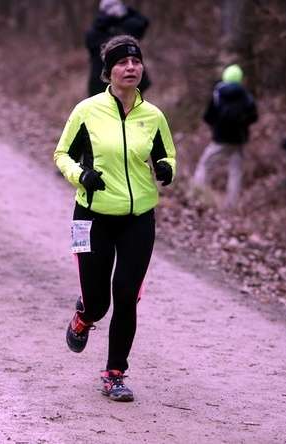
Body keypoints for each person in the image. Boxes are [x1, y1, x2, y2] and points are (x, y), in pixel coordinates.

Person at [54, 35, 176, 402]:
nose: (130, 68)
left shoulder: (153, 116)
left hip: (138, 218)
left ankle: (115, 373)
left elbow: (167, 154)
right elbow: (62, 154)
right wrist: (81, 175)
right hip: (92, 217)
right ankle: (84, 316)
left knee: (125, 296)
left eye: (136, 62)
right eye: (122, 62)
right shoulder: (86, 111)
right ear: (109, 71)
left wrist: (167, 167)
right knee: (98, 302)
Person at [191, 64, 258, 208]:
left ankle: (196, 195)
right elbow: (254, 117)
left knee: (205, 164)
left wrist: (215, 126)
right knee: (235, 171)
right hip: (239, 140)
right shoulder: (246, 95)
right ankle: (231, 206)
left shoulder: (218, 94)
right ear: (240, 78)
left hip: (220, 139)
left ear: (225, 76)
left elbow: (208, 117)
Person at [85, 0, 149, 97]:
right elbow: (91, 42)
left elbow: (142, 24)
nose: (114, 10)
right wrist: (107, 20)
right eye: (110, 8)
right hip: (101, 80)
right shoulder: (97, 29)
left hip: (131, 82)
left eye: (116, 7)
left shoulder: (126, 25)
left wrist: (126, 12)